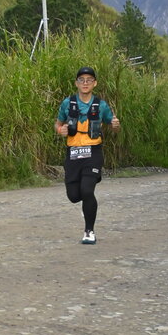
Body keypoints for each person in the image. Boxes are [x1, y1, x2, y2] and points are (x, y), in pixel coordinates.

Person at [55, 67, 120, 244]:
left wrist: (115, 125)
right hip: (73, 153)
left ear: (95, 83)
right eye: (81, 80)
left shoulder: (101, 105)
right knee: (74, 196)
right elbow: (58, 124)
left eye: (89, 80)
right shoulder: (68, 103)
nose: (85, 83)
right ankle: (87, 206)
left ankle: (89, 231)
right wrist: (61, 130)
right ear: (76, 83)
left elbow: (113, 125)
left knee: (87, 190)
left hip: (93, 152)